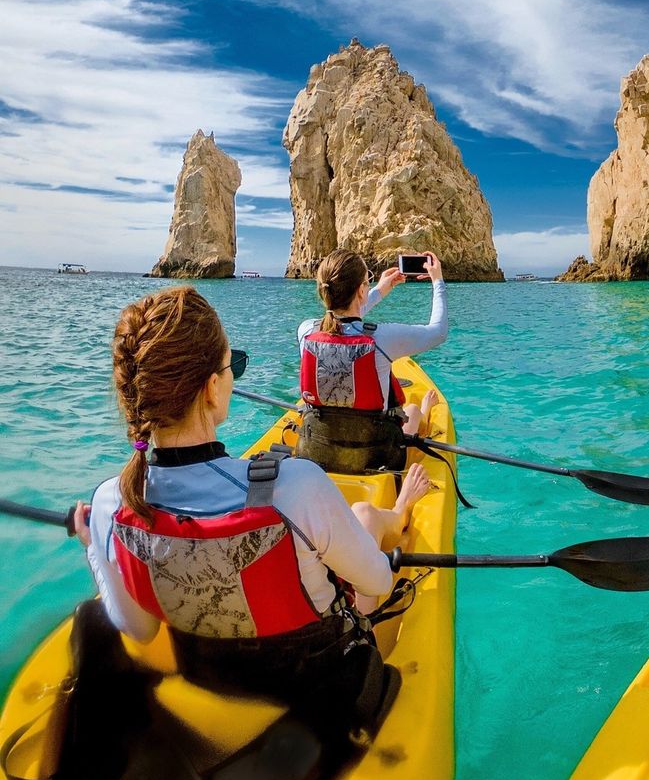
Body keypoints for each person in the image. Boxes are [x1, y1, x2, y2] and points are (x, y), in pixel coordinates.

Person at [73, 286, 431, 730]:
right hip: (320, 696)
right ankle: (398, 511)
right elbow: (376, 577)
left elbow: (140, 631)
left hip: (217, 684)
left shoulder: (112, 502)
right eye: (232, 365)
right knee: (363, 529)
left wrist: (95, 548)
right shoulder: (295, 486)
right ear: (210, 389)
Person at [295, 249, 447, 474]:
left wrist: (379, 290)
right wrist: (438, 282)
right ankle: (422, 412)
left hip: (319, 451)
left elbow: (341, 319)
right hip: (377, 456)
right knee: (413, 410)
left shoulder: (306, 332)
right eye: (368, 280)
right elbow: (438, 332)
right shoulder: (382, 339)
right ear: (361, 290)